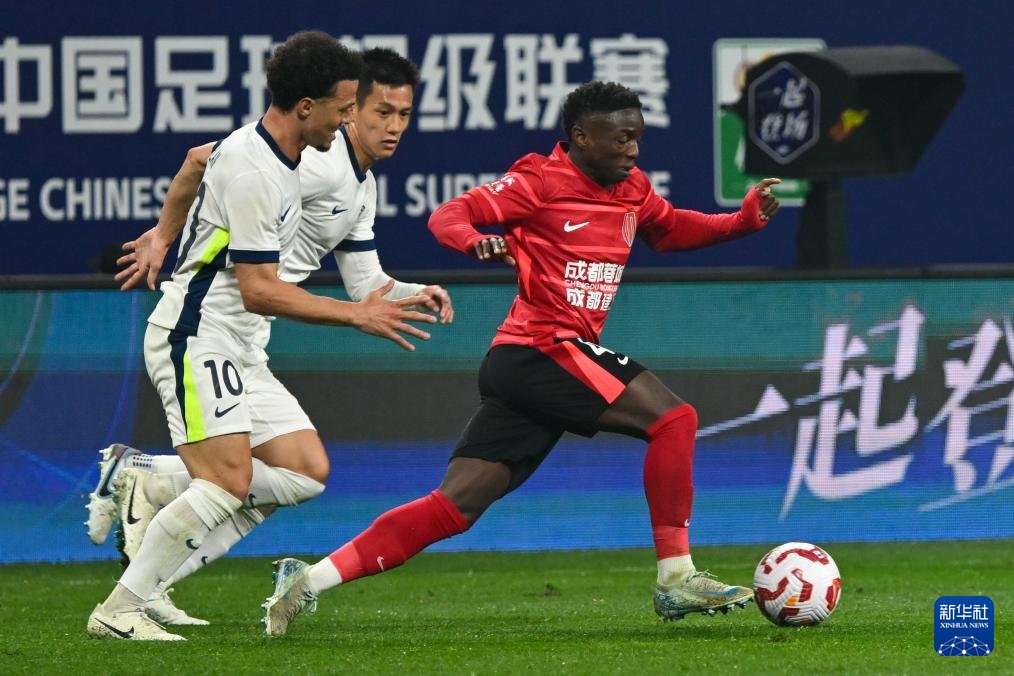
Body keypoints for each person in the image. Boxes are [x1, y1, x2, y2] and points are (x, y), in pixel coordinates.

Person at [261, 80, 782, 636]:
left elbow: (670, 227)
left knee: (455, 506)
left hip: (533, 365)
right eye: (621, 138)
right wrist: (473, 241)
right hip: (542, 348)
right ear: (581, 137)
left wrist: (742, 222)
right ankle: (676, 577)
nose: (633, 149)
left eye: (638, 137)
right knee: (675, 420)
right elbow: (449, 214)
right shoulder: (540, 180)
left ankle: (306, 580)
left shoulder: (631, 189)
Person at [86, 33, 437, 642]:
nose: (386, 124)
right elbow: (257, 283)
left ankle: (145, 482)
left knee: (303, 473)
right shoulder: (290, 163)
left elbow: (364, 283)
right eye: (370, 109)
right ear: (315, 106)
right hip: (200, 330)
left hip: (244, 341)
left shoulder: (343, 176)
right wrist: (166, 236)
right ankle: (120, 609)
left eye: (403, 114)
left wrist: (408, 295)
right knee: (228, 481)